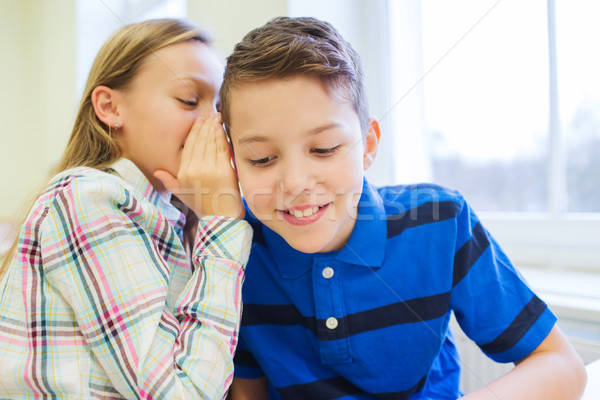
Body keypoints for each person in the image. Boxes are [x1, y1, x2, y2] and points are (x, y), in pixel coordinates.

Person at [218, 17, 587, 399]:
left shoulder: (439, 222)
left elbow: (560, 365)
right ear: (233, 162)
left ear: (369, 145)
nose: (295, 183)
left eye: (324, 149)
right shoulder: (234, 248)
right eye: (261, 158)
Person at [0, 18, 252, 399]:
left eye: (220, 109)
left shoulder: (174, 215)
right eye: (188, 99)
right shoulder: (88, 197)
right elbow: (184, 393)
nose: (213, 124)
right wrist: (224, 221)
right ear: (109, 106)